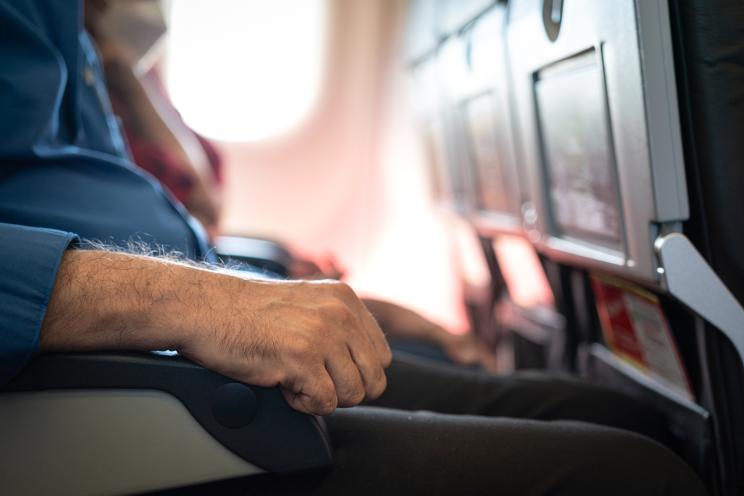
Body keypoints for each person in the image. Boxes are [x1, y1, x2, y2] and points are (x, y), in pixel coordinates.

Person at [0, 1, 707, 494]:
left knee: (624, 417)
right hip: (87, 395)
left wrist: (261, 291)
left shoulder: (74, 30)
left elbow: (147, 216)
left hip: (159, 354)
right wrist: (204, 303)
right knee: (635, 473)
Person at [84, 1, 490, 370]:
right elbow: (195, 198)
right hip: (184, 321)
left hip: (209, 273)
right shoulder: (93, 88)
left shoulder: (138, 78)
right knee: (512, 398)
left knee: (443, 352)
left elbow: (206, 193)